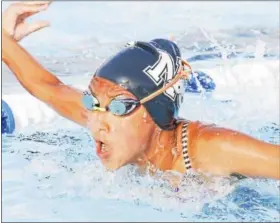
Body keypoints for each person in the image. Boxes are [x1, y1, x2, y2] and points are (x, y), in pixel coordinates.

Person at [2, 2, 279, 181]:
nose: (97, 121)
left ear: (157, 111)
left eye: (119, 107)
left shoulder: (211, 149)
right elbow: (50, 88)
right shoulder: (104, 115)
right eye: (91, 101)